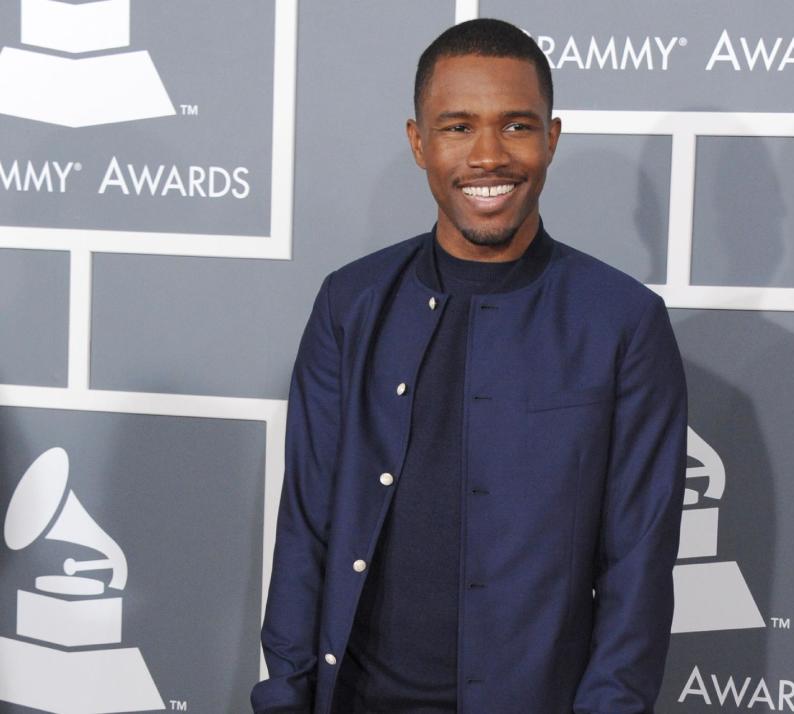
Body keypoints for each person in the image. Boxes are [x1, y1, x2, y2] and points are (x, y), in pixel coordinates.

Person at [251, 17, 687, 714]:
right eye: (458, 128)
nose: (489, 156)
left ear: (552, 137)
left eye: (516, 126)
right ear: (419, 142)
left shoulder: (623, 322)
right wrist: (284, 694)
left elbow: (638, 566)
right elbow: (308, 524)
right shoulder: (350, 302)